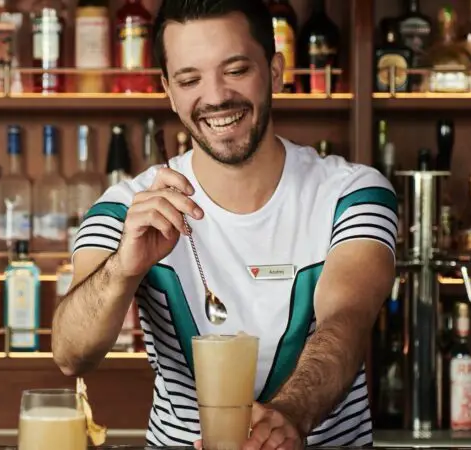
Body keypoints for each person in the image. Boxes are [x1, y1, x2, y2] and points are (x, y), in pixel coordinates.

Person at [51, 0, 397, 448]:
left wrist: (289, 417)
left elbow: (345, 321)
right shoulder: (126, 208)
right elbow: (70, 355)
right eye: (189, 80)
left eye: (235, 70)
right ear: (169, 92)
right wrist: (123, 268)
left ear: (275, 71)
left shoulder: (351, 193)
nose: (215, 97)